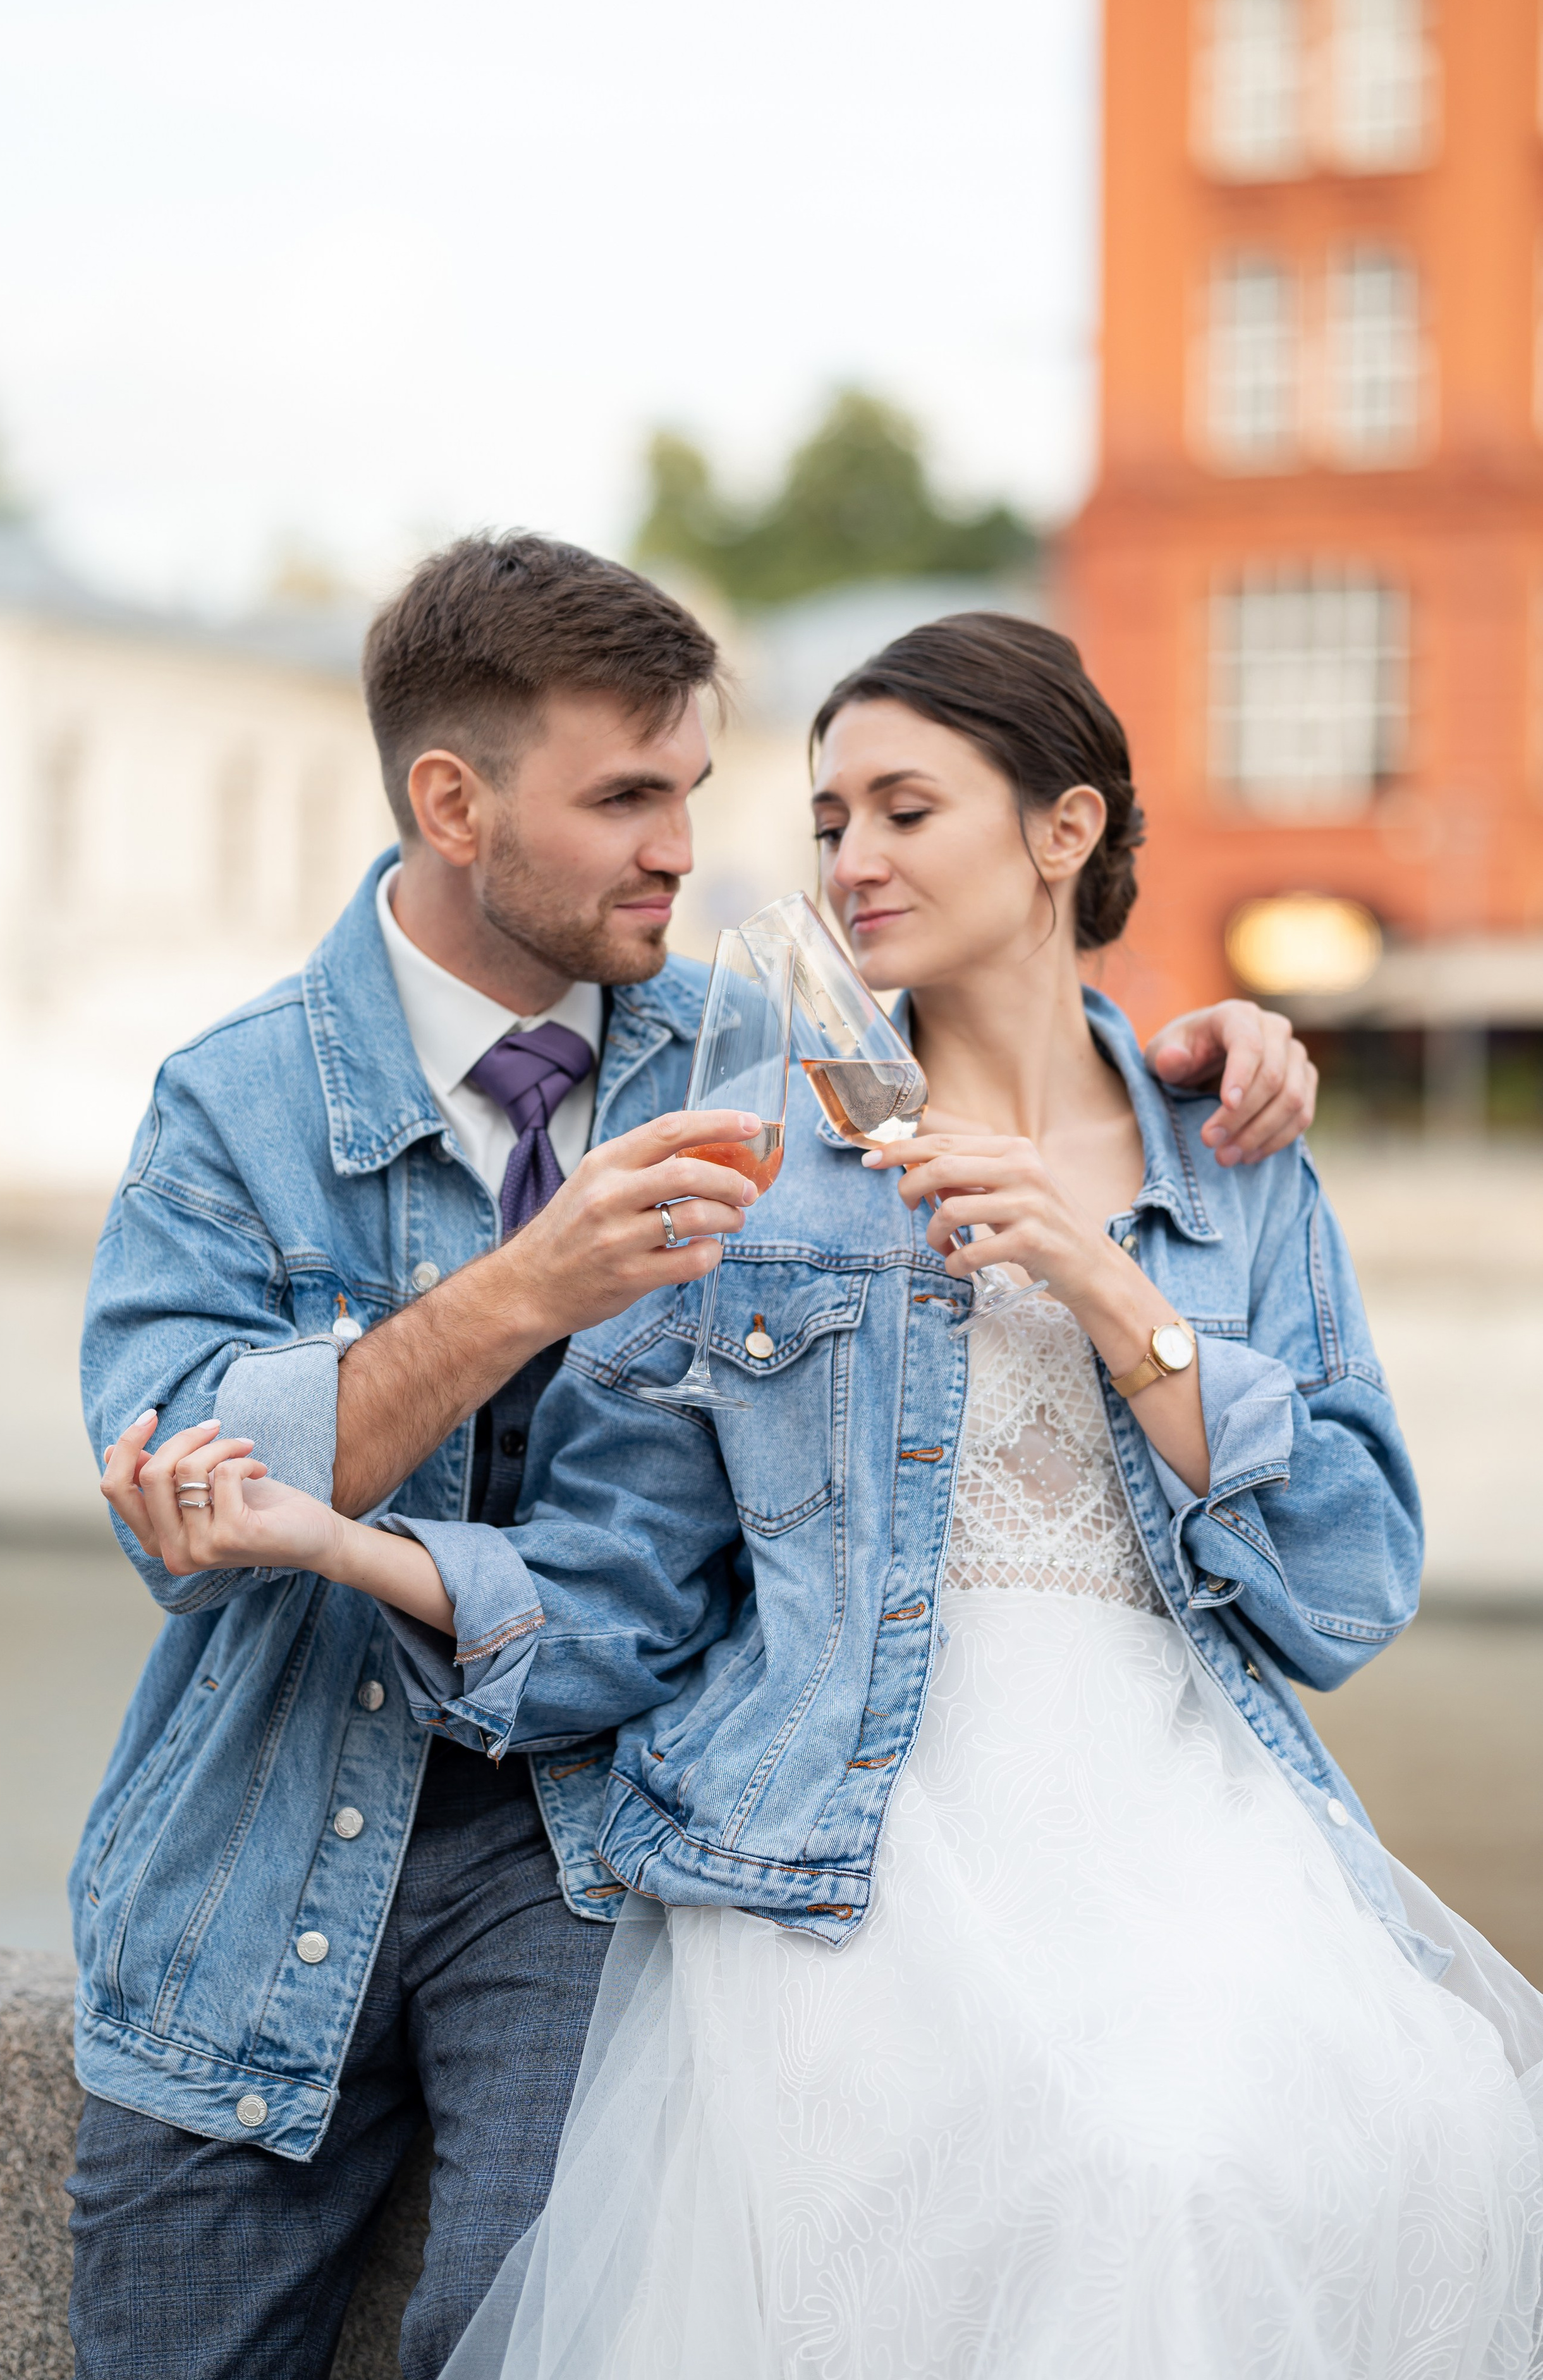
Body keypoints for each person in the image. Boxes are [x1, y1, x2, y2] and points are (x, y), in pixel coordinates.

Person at [68, 546, 1302, 2380]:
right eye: (627, 797)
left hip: (600, 1845)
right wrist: (524, 1288)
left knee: (567, 2335)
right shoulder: (232, 1098)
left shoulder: (757, 1050)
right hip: (248, 1838)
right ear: (452, 801)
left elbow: (1000, 1051)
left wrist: (1209, 1056)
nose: (683, 846)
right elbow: (182, 1513)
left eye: (696, 793)